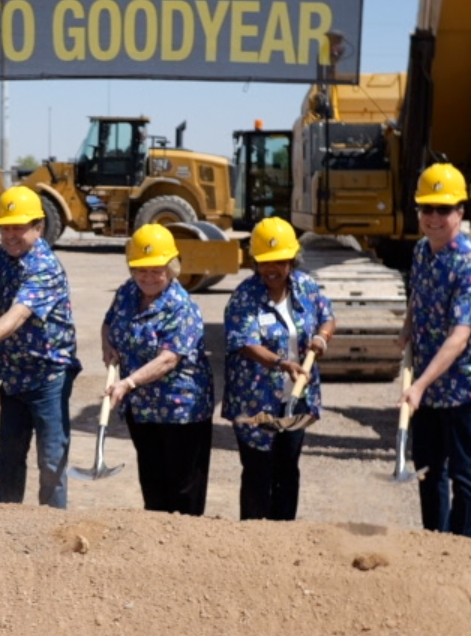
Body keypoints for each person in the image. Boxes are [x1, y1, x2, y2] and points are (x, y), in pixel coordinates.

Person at [401, 162, 471, 538]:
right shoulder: (423, 252)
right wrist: (408, 325)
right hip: (430, 378)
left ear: (460, 212)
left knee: (463, 471)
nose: (434, 217)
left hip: (465, 383)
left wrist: (419, 386)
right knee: (428, 467)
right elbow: (418, 292)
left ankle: (461, 553)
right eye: (427, 208)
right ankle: (434, 544)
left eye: (444, 209)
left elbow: (459, 338)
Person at [0, 186, 80, 509]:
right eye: (5, 227)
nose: (11, 235)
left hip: (48, 378)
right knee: (10, 457)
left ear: (38, 228)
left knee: (51, 460)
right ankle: (7, 523)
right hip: (13, 377)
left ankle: (52, 527)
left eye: (19, 227)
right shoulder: (6, 256)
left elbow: (18, 314)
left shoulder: (45, 267)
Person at [222, 217, 337, 521]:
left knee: (288, 468)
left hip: (296, 397)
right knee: (258, 469)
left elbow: (328, 316)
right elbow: (245, 342)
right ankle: (255, 537)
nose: (271, 269)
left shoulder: (307, 287)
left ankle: (284, 535)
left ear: (292, 260)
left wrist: (321, 338)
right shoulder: (244, 297)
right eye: (264, 262)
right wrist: (281, 362)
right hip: (255, 398)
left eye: (279, 261)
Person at [100, 224, 214, 515]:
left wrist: (128, 383)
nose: (147, 277)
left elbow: (168, 359)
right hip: (143, 409)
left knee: (182, 488)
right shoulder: (128, 292)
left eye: (156, 270)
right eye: (141, 270)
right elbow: (109, 322)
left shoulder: (181, 307)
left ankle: (184, 549)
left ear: (171, 267)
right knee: (152, 482)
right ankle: (155, 548)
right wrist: (108, 346)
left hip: (181, 410)